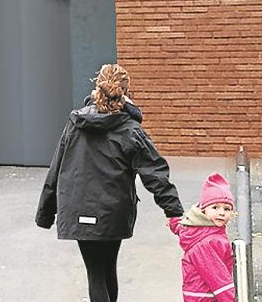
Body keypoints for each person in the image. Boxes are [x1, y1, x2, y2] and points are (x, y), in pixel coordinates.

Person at [36, 64, 185, 302]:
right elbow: (155, 172)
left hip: (79, 207)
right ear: (126, 91)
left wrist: (45, 213)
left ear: (97, 88)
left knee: (95, 272)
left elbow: (56, 168)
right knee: (108, 267)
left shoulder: (76, 123)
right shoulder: (130, 129)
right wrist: (173, 210)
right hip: (114, 210)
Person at [170, 172, 237, 302]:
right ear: (203, 210)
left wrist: (173, 221)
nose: (221, 213)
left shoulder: (197, 228)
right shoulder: (209, 242)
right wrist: (230, 299)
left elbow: (181, 229)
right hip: (206, 297)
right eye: (215, 207)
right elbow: (217, 277)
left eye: (227, 209)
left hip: (198, 294)